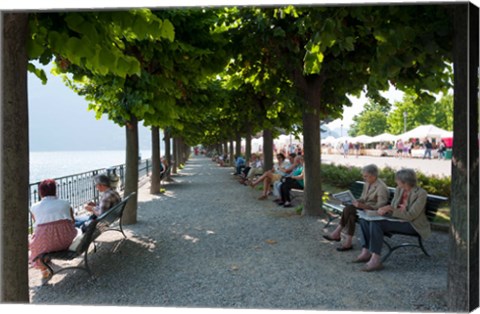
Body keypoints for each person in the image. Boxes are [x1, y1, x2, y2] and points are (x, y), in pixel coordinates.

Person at [354, 169, 431, 272]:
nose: (396, 182)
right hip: (397, 219)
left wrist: (391, 210)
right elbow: (394, 206)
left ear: (405, 181)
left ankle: (375, 260)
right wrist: (387, 208)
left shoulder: (421, 193)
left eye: (397, 180)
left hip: (413, 224)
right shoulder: (399, 189)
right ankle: (366, 251)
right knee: (364, 219)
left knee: (376, 223)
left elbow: (411, 215)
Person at [323, 164, 389, 251]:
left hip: (372, 212)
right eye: (363, 176)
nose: (364, 178)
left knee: (349, 209)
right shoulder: (368, 183)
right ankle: (347, 242)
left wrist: (363, 206)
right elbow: (363, 198)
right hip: (362, 209)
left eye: (366, 176)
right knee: (351, 214)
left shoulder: (381, 187)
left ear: (373, 176)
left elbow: (381, 206)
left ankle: (337, 233)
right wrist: (354, 201)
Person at [29, 179, 77, 279]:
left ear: (40, 192)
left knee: (34, 241)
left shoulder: (34, 207)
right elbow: (73, 221)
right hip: (66, 241)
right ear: (55, 190)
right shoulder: (65, 203)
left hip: (46, 244)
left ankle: (44, 269)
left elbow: (36, 226)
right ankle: (47, 262)